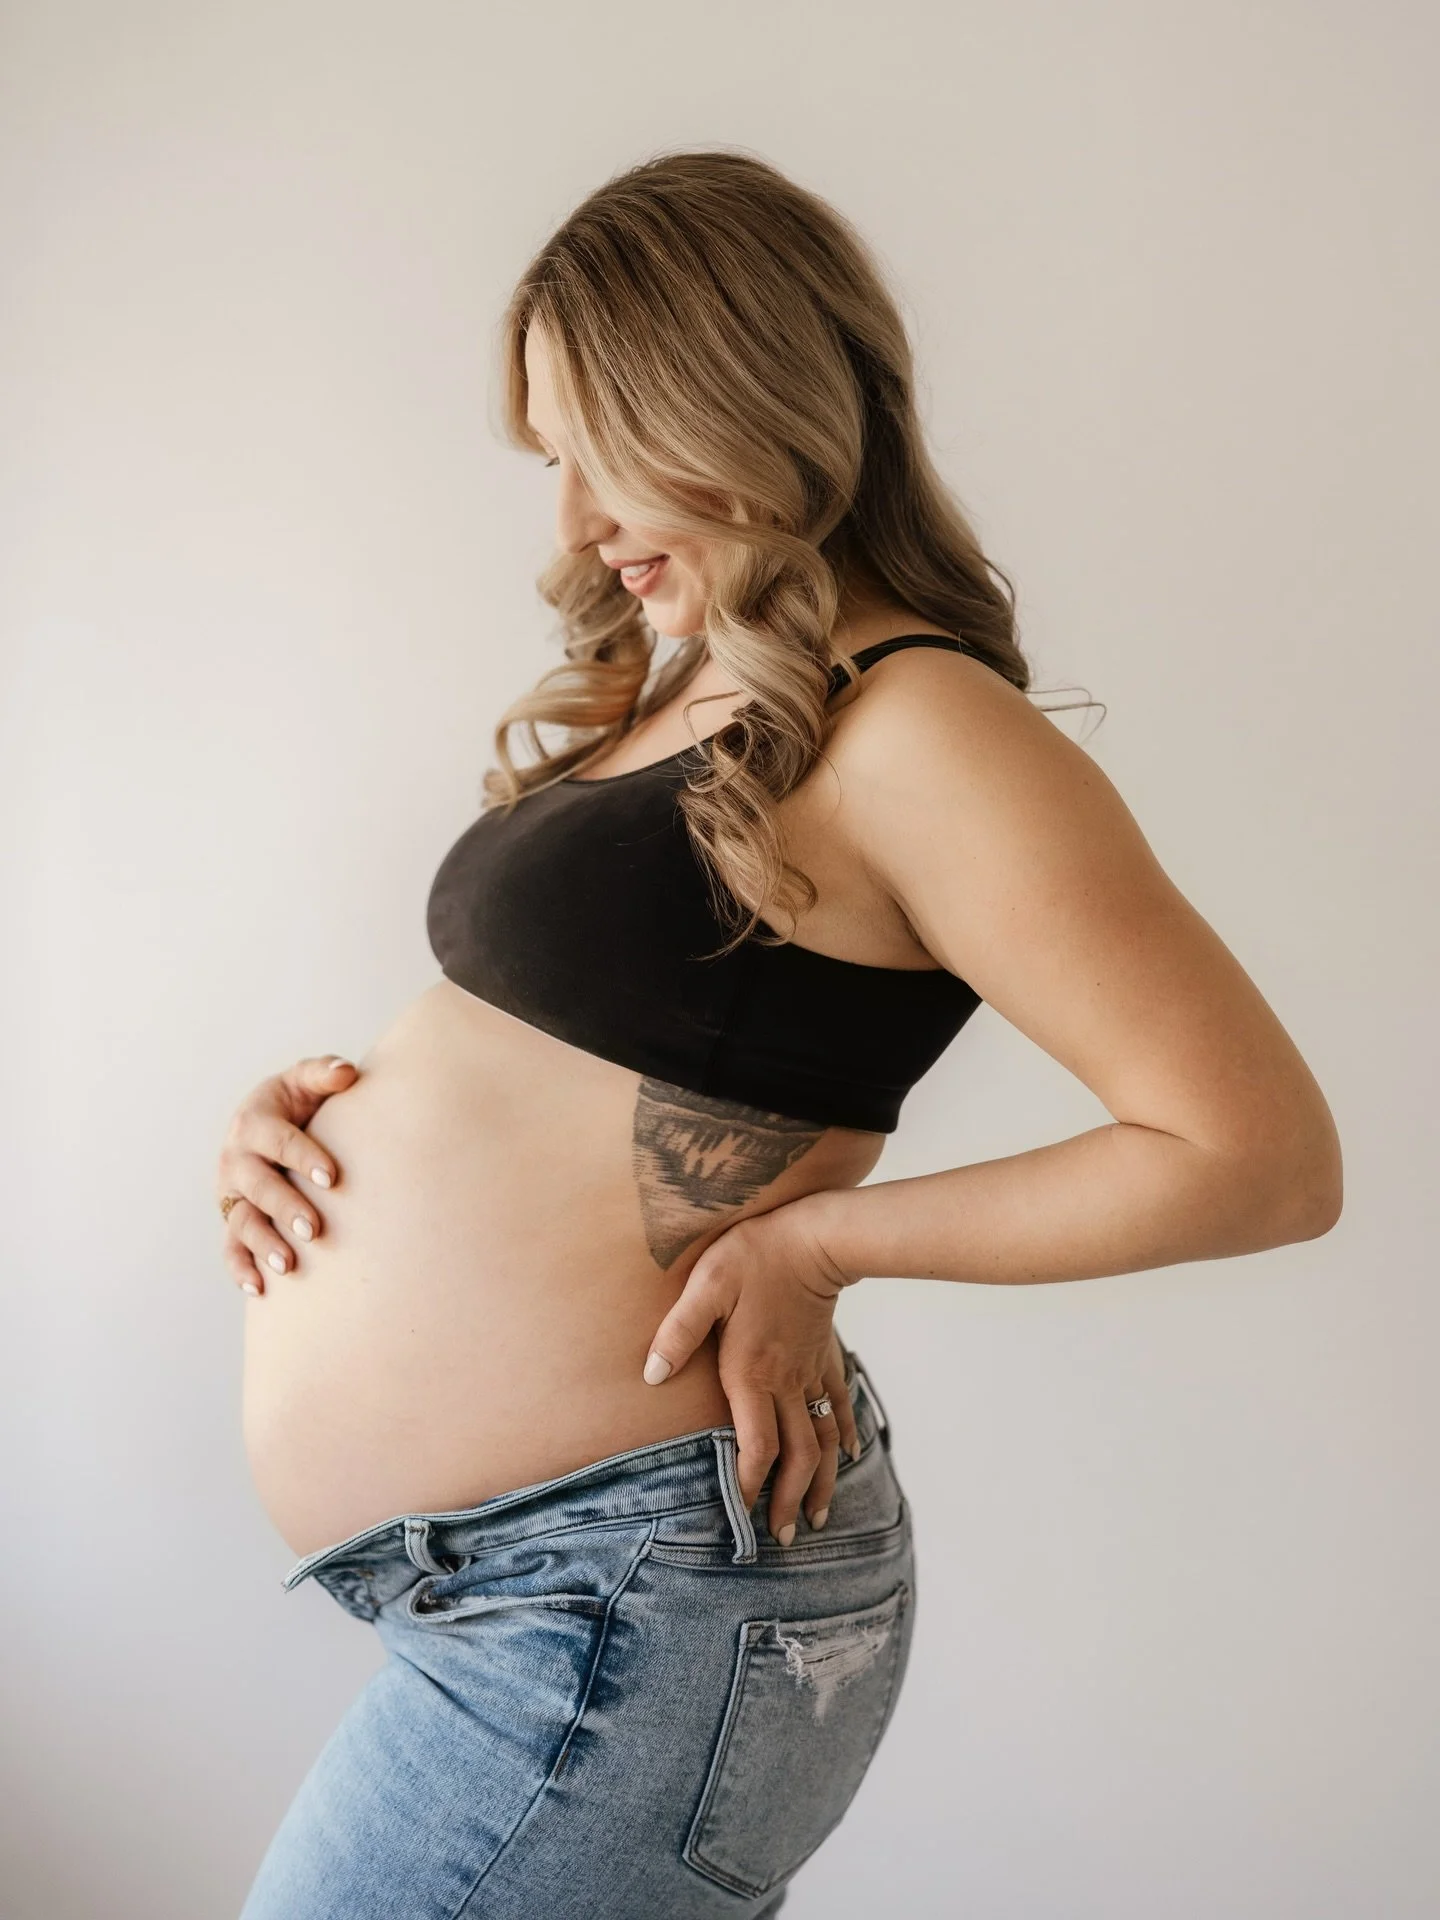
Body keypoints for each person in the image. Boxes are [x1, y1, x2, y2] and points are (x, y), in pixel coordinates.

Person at [217, 149, 1343, 1918]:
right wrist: (317, 1127)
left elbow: (1255, 1156)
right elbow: (564, 1058)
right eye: (548, 459)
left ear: (742, 394)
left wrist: (819, 1243)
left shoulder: (926, 729)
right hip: (530, 1592)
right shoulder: (703, 684)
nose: (575, 520)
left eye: (604, 443)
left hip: (625, 1597)